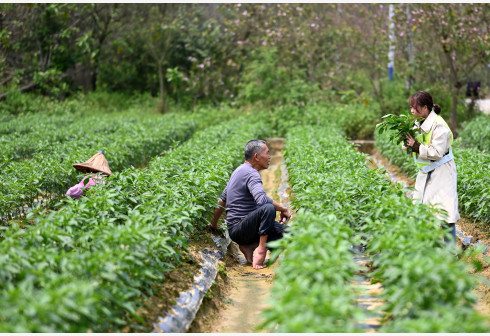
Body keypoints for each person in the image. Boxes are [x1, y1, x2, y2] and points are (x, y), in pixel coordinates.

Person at [209, 139, 291, 269]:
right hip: (242, 229)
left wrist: (213, 224)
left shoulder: (239, 171)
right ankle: (261, 249)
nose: (269, 157)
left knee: (289, 234)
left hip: (238, 230)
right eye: (267, 153)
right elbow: (262, 201)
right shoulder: (252, 174)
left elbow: (222, 201)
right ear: (257, 157)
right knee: (268, 208)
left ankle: (250, 245)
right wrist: (282, 208)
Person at [404, 91, 459, 244]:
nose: (412, 111)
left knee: (445, 213)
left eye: (415, 108)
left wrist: (416, 146)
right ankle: (426, 249)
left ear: (425, 108)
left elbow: (436, 152)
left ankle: (450, 251)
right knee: (421, 210)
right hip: (427, 171)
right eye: (411, 107)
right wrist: (408, 145)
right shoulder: (418, 123)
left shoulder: (439, 125)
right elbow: (415, 148)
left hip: (442, 171)